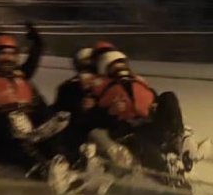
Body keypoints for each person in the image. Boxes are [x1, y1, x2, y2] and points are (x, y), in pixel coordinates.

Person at [0, 34, 79, 192]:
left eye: (12, 54)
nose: (8, 58)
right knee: (18, 140)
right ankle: (44, 171)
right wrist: (1, 123)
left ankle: (65, 165)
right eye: (3, 53)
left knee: (51, 135)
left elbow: (41, 109)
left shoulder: (22, 82)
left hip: (29, 135)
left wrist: (51, 121)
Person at [85, 50, 203, 183]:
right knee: (143, 145)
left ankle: (179, 142)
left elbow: (154, 99)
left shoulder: (138, 84)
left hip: (149, 124)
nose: (120, 69)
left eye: (122, 65)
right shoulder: (101, 92)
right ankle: (167, 174)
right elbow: (93, 119)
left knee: (168, 96)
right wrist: (109, 112)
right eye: (115, 66)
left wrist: (155, 105)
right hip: (127, 133)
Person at [52, 47, 102, 152]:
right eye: (85, 69)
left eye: (92, 69)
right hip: (76, 138)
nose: (89, 75)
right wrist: (81, 107)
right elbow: (60, 114)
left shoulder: (105, 87)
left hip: (101, 134)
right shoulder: (68, 88)